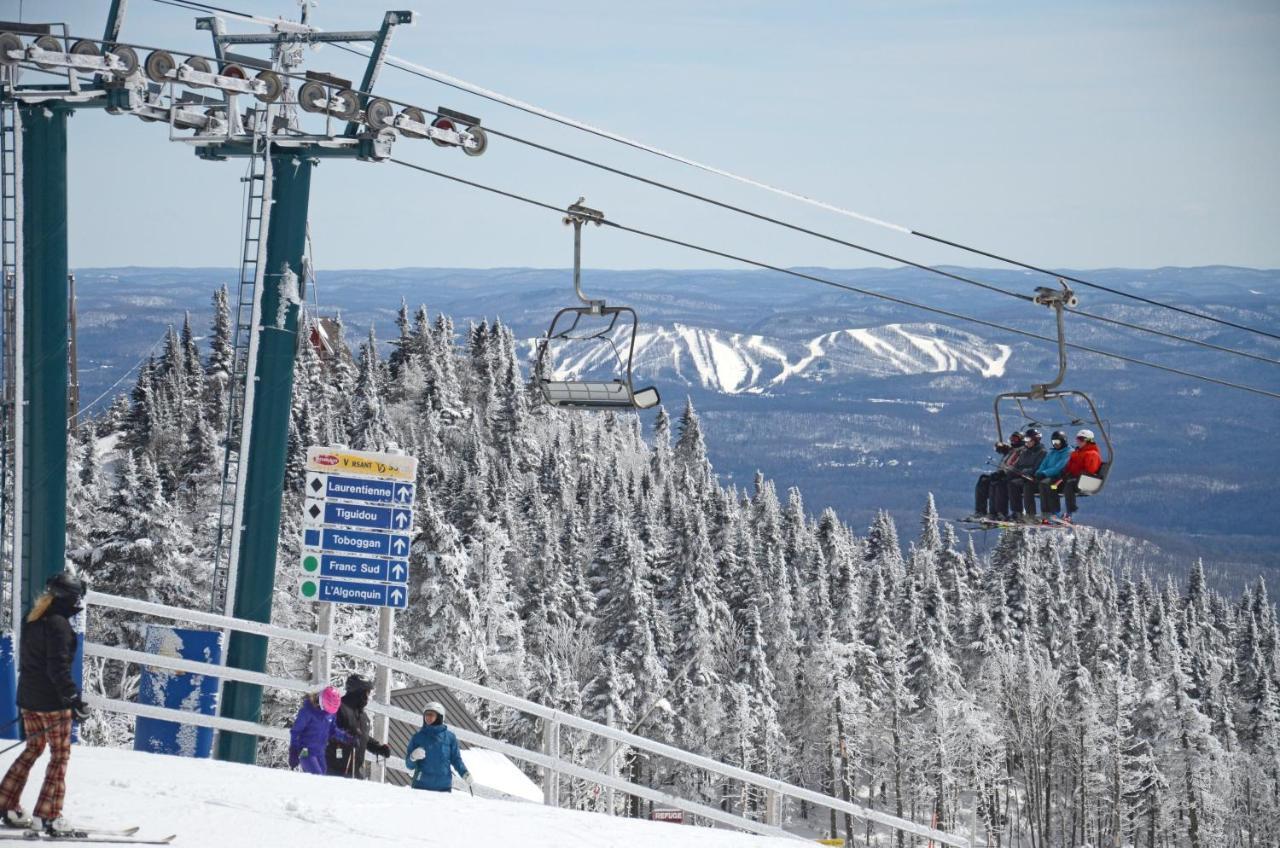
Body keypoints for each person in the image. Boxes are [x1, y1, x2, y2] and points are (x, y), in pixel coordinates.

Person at [0, 573, 89, 836]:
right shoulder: (59, 625)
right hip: (52, 702)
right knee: (59, 756)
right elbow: (58, 667)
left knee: (33, 748)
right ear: (71, 598)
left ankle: (6, 803)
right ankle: (49, 815)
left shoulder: (35, 619)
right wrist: (73, 698)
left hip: (28, 698)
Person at [326, 674, 392, 779]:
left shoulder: (363, 716)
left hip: (354, 773)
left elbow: (363, 736)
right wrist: (346, 735)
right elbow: (325, 730)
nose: (368, 696)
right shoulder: (337, 708)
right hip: (334, 772)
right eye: (367, 692)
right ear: (359, 692)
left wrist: (378, 748)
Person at [405, 701, 473, 793]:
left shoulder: (450, 738)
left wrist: (465, 773)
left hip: (444, 788)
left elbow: (456, 759)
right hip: (420, 787)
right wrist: (412, 757)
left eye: (431, 715)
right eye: (426, 715)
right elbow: (409, 765)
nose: (428, 717)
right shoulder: (417, 737)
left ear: (440, 717)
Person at [289, 686, 352, 775]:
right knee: (317, 775)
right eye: (329, 709)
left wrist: (347, 738)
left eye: (332, 711)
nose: (329, 713)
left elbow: (332, 730)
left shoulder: (330, 714)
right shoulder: (307, 712)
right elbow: (295, 732)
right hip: (305, 751)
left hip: (320, 751)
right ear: (322, 701)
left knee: (322, 776)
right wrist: (293, 751)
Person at [1047, 428, 1103, 524]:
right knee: (1053, 485)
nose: (1078, 441)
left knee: (1069, 484)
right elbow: (1070, 467)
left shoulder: (1092, 454)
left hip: (1086, 480)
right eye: (1078, 439)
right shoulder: (1076, 452)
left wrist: (1073, 475)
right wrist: (1064, 473)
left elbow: (1090, 470)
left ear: (1088, 440)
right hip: (1074, 478)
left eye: (1081, 439)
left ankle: (1069, 513)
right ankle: (1056, 512)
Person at [969, 431, 1024, 521]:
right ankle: (980, 511)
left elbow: (1014, 465)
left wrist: (1003, 472)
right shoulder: (1012, 450)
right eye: (1011, 439)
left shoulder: (1022, 451)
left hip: (1010, 476)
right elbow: (1007, 450)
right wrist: (1001, 447)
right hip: (1002, 474)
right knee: (983, 480)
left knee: (997, 483)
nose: (1013, 441)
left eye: (1016, 439)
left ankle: (998, 512)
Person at [1007, 428, 1046, 523]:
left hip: (1034, 479)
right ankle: (1017, 513)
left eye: (1028, 440)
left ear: (1035, 440)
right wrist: (1010, 472)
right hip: (1023, 477)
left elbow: (1037, 468)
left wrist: (1025, 471)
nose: (1026, 442)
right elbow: (1016, 466)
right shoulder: (1025, 452)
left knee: (1027, 486)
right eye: (1025, 440)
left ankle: (1030, 514)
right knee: (1012, 483)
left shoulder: (1042, 452)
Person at [1033, 431, 1072, 519]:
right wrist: (1038, 473)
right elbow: (1043, 464)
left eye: (1057, 442)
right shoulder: (1052, 452)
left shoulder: (1068, 452)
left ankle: (1055, 512)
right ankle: (1045, 512)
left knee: (1051, 486)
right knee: (1042, 484)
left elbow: (1059, 467)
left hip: (1061, 478)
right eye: (1053, 442)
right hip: (1050, 477)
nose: (1055, 444)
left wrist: (1044, 473)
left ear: (1063, 441)